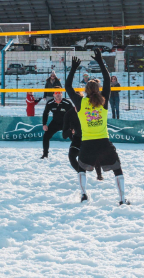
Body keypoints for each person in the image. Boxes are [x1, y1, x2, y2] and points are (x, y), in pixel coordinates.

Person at [66, 49, 130, 205]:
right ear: (98, 90)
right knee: (117, 170)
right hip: (103, 143)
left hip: (87, 144)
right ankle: (122, 199)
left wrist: (74, 68)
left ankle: (83, 195)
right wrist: (101, 61)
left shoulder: (80, 103)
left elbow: (67, 86)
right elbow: (108, 80)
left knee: (81, 169)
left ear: (86, 91)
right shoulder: (104, 101)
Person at [40, 90, 76, 159]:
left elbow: (73, 114)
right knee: (46, 136)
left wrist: (72, 126)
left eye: (59, 93)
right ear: (53, 95)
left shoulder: (67, 103)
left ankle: (78, 152)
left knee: (74, 137)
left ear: (62, 94)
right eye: (56, 93)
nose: (58, 94)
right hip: (55, 123)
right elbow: (45, 113)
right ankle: (45, 154)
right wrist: (44, 124)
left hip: (66, 123)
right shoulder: (50, 103)